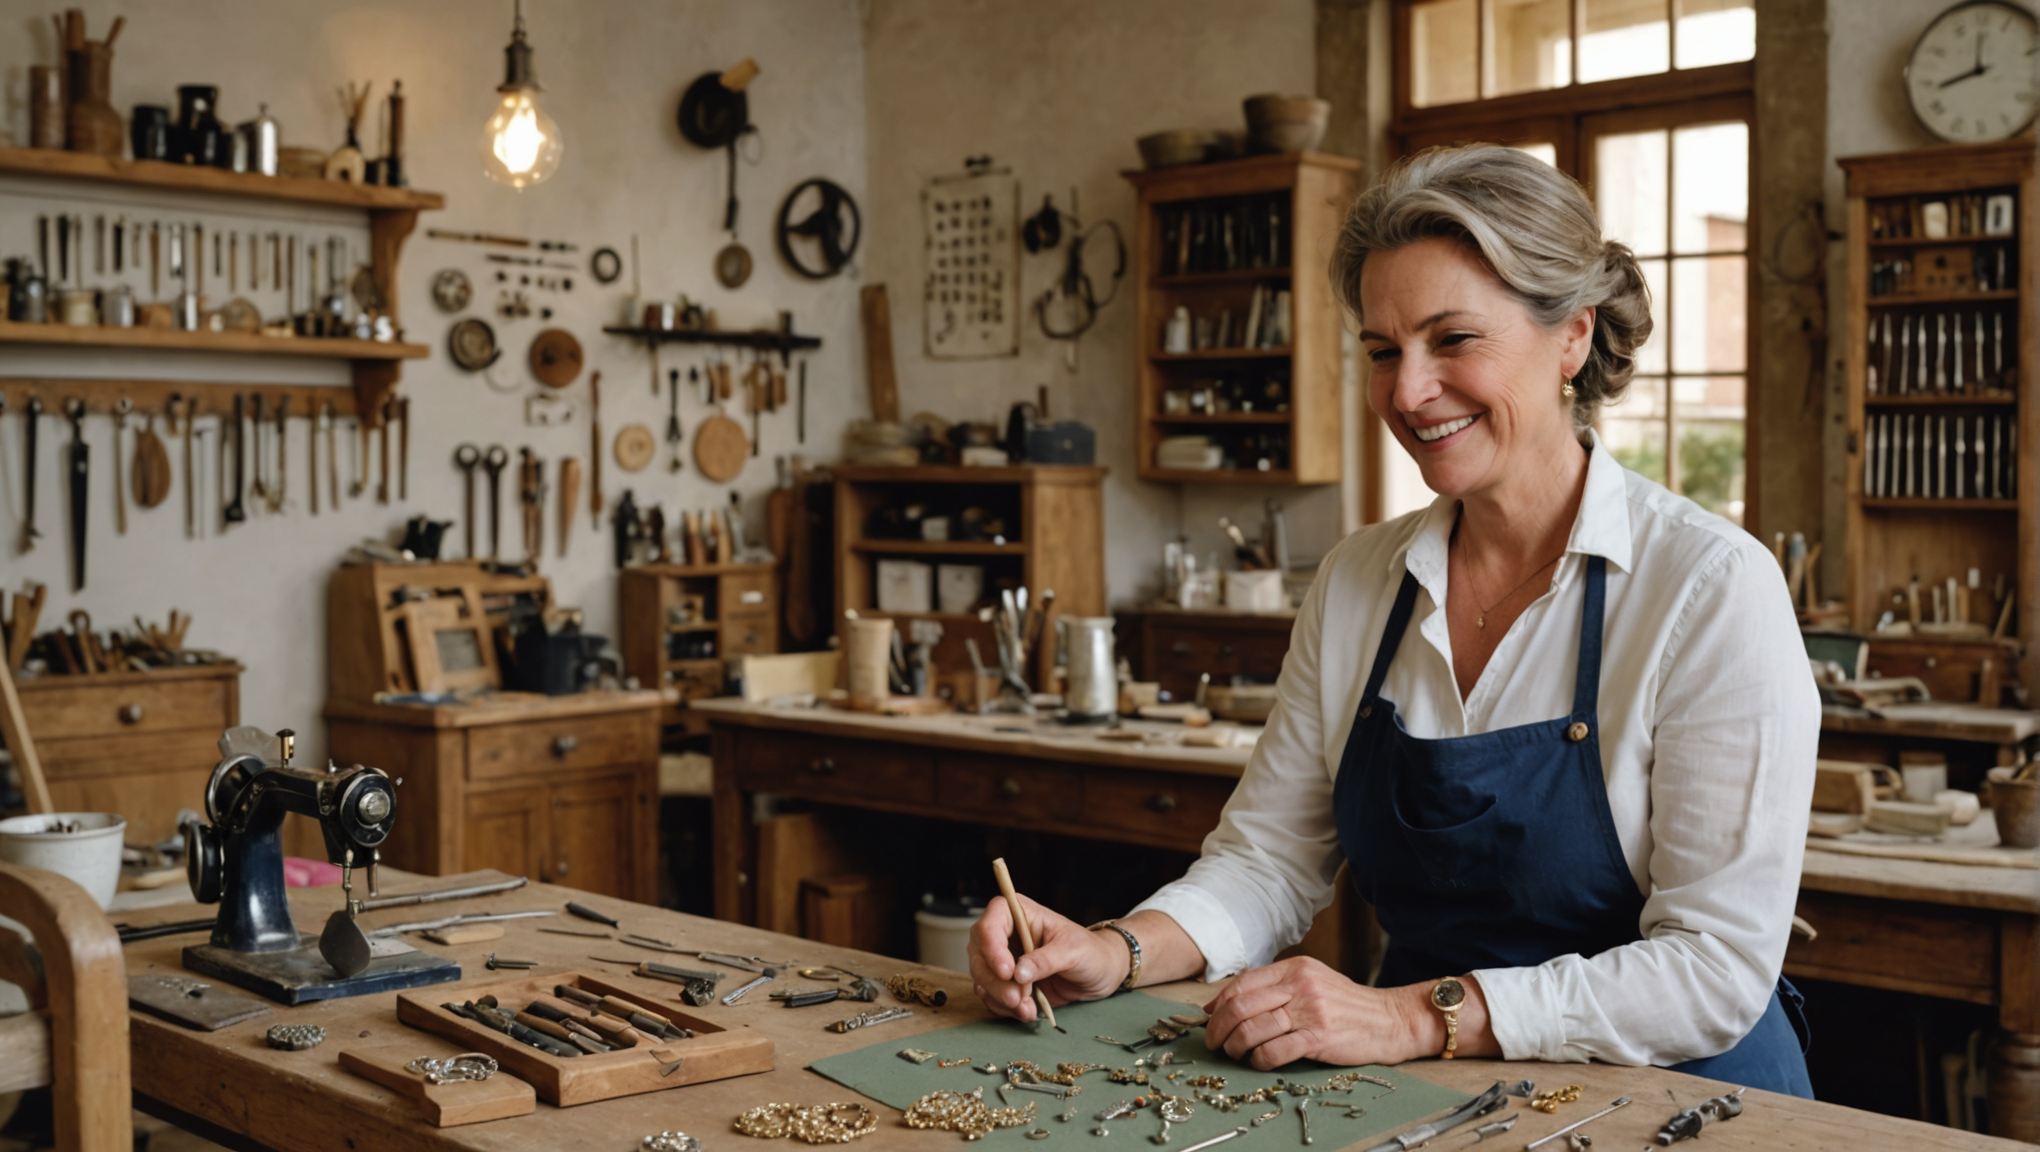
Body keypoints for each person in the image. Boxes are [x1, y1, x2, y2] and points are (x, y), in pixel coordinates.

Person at [968, 144, 1818, 1097]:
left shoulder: (1708, 587)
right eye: (1383, 351)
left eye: (1453, 340)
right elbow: (1269, 862)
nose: (1408, 393)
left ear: (1573, 337)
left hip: (1682, 1095)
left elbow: (1713, 968)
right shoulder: (1359, 582)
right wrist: (1118, 950)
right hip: (1430, 1087)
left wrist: (1412, 1014)